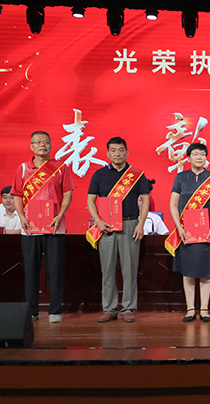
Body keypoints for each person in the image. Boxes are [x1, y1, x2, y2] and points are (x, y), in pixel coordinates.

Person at [11, 131, 76, 323]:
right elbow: (17, 195)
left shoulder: (61, 168)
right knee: (31, 270)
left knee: (55, 270)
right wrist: (21, 216)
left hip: (55, 227)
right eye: (38, 142)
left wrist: (60, 215)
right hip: (30, 228)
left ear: (51, 145)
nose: (43, 145)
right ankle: (31, 311)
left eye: (46, 142)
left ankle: (55, 311)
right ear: (31, 146)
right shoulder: (23, 168)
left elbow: (67, 193)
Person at [87, 137, 152, 323]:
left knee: (129, 270)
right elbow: (90, 200)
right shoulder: (99, 174)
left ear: (127, 152)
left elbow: (145, 200)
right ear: (108, 153)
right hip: (106, 227)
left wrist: (141, 223)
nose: (117, 153)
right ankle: (110, 309)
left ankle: (128, 308)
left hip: (130, 224)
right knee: (107, 270)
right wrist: (98, 222)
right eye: (113, 150)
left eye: (121, 150)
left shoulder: (137, 175)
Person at [167, 143, 210, 323]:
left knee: (206, 271)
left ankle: (204, 310)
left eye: (202, 154)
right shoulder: (181, 177)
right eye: (195, 154)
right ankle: (190, 309)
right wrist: (179, 227)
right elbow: (173, 204)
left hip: (207, 232)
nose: (199, 157)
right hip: (186, 232)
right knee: (188, 271)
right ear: (188, 157)